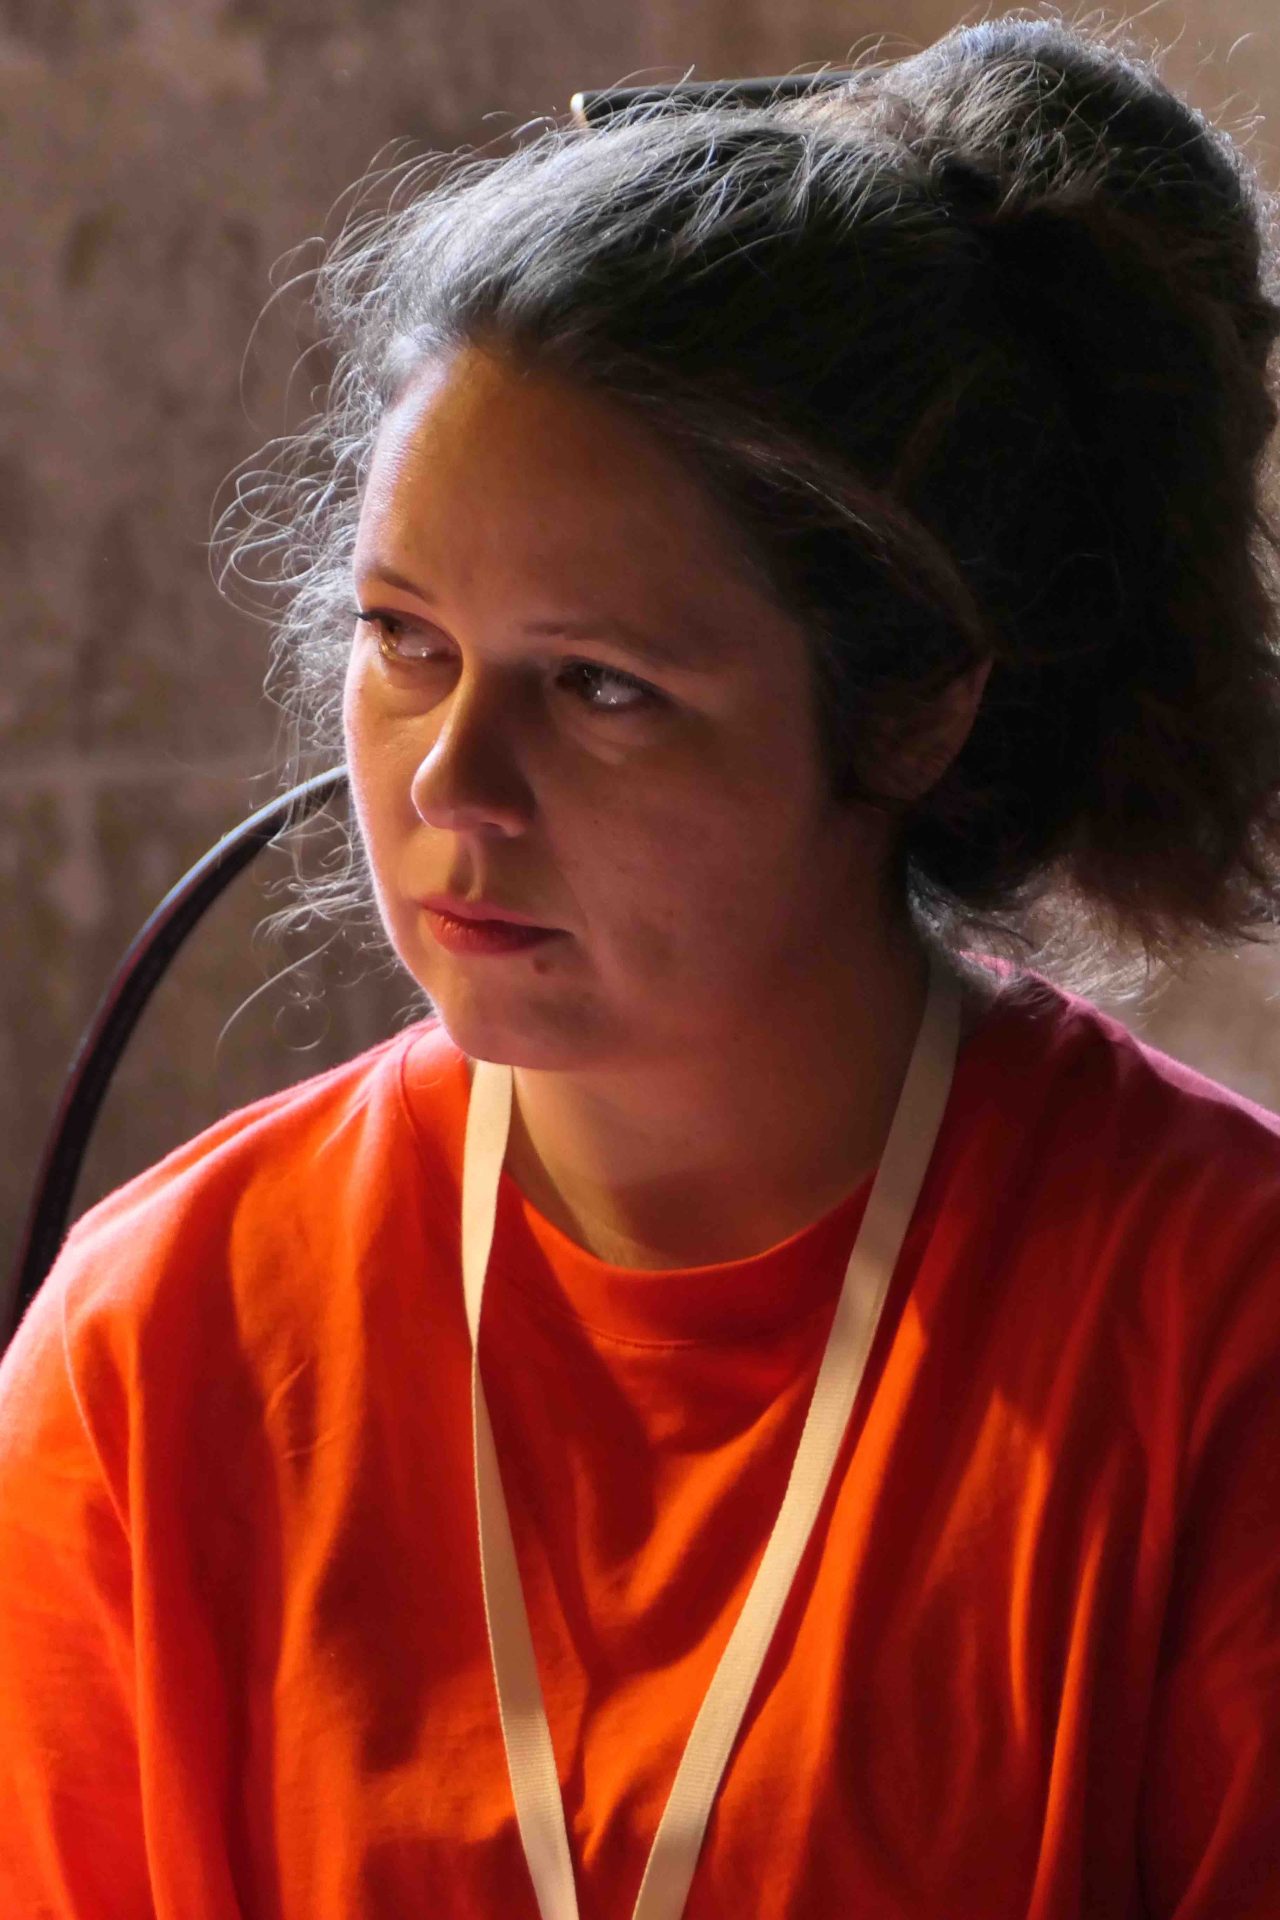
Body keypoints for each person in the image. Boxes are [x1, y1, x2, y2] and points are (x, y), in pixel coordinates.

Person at [2, 10, 1279, 1916]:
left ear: (918, 709)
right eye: (406, 639)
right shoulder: (156, 1343)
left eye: (600, 687)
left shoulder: (1216, 1325)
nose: (450, 782)